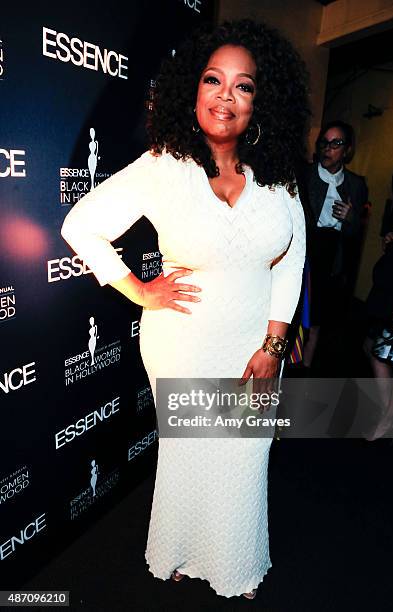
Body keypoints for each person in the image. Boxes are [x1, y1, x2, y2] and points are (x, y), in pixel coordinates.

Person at [61, 20, 309, 599]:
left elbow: (291, 263)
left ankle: (236, 563)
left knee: (244, 455)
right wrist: (140, 290)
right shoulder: (161, 167)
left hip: (255, 338)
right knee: (189, 453)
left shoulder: (278, 178)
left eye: (243, 86)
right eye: (213, 79)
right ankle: (177, 549)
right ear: (192, 91)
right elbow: (82, 225)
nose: (226, 95)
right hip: (183, 338)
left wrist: (273, 345)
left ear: (260, 100)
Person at [303, 120, 368, 371]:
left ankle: (305, 372)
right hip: (306, 251)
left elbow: (355, 235)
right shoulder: (305, 175)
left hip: (332, 256)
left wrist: (351, 219)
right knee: (296, 317)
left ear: (347, 150)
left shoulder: (356, 184)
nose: (328, 148)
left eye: (335, 143)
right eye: (324, 143)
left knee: (318, 320)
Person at [363, 162, 393, 440]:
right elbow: (386, 238)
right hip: (392, 283)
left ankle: (389, 419)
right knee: (371, 347)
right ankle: (389, 410)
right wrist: (391, 238)